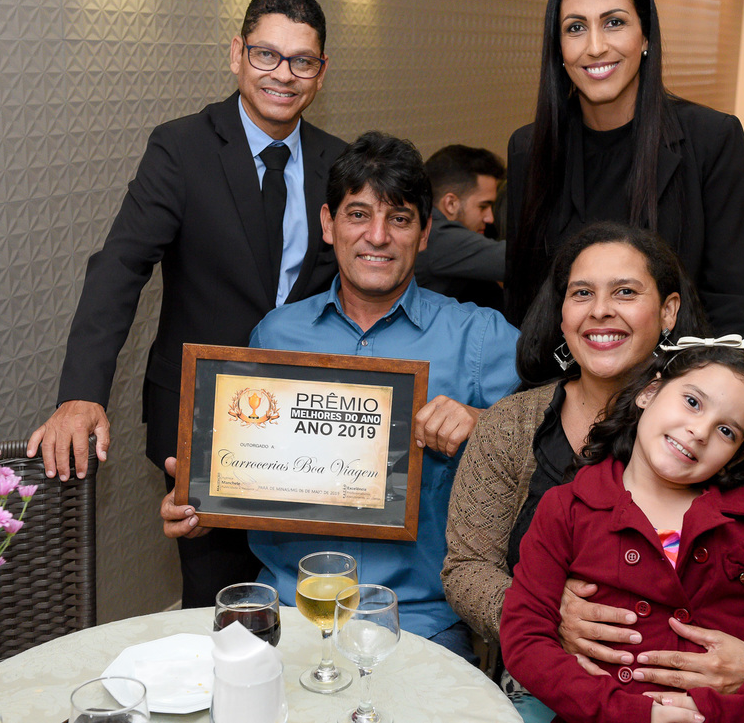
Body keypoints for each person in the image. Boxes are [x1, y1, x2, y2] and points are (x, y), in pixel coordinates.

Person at [26, 0, 345, 607]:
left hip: (310, 420)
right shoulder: (181, 147)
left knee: (311, 585)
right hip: (202, 419)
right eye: (266, 55)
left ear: (321, 70)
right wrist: (81, 394)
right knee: (218, 600)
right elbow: (121, 266)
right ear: (236, 54)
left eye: (301, 60)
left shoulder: (338, 161)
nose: (282, 74)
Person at [163, 131, 520, 661]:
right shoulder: (276, 335)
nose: (377, 236)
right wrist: (200, 503)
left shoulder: (480, 337)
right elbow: (248, 468)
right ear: (328, 224)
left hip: (417, 619)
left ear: (424, 233)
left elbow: (566, 432)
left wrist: (484, 423)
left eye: (400, 219)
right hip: (287, 609)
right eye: (358, 215)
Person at [444, 224, 744, 720]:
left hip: (699, 694)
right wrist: (545, 612)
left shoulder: (710, 432)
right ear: (562, 313)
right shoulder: (510, 426)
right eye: (582, 293)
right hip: (551, 677)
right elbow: (466, 568)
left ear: (668, 311)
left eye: (625, 292)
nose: (600, 310)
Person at [501, 344, 744, 723]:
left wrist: (730, 711)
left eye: (726, 431)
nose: (699, 432)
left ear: (737, 456)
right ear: (649, 392)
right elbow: (525, 638)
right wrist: (631, 713)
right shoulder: (567, 507)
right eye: (692, 402)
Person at [503, 0, 744, 347]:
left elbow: (735, 306)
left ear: (645, 36)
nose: (595, 47)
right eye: (576, 27)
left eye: (614, 23)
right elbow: (522, 302)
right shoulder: (529, 148)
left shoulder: (713, 139)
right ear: (558, 48)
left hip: (680, 376)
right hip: (562, 377)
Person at [415, 145, 506, 309]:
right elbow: (517, 260)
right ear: (451, 204)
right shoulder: (437, 237)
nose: (490, 218)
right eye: (483, 206)